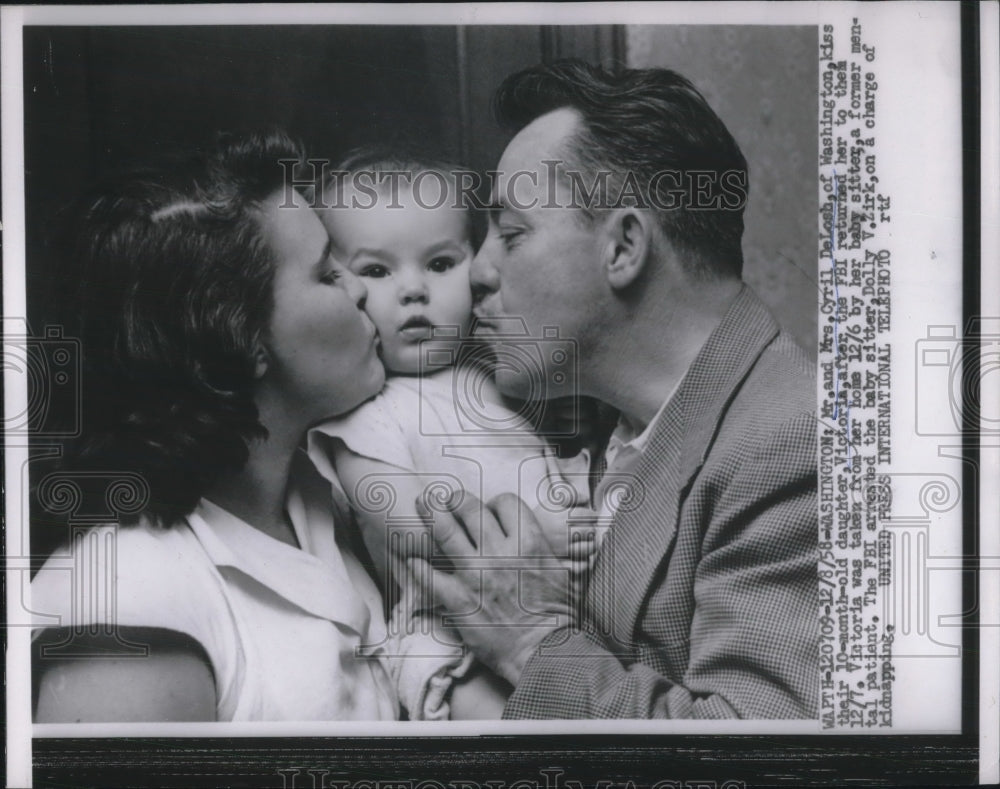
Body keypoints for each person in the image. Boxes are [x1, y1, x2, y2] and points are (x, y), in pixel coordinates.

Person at [408, 61, 819, 719]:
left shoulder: (793, 438)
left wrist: (532, 641)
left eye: (511, 235)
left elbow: (758, 760)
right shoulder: (604, 427)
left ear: (624, 246)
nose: (478, 274)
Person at [30, 131, 400, 722]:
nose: (359, 288)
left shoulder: (325, 494)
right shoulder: (121, 596)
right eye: (326, 274)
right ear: (242, 340)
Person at [307, 151, 597, 719]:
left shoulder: (500, 376)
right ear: (337, 284)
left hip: (553, 608)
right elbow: (405, 521)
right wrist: (544, 536)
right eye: (376, 271)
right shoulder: (365, 412)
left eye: (440, 264)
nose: (413, 290)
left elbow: (544, 465)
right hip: (446, 630)